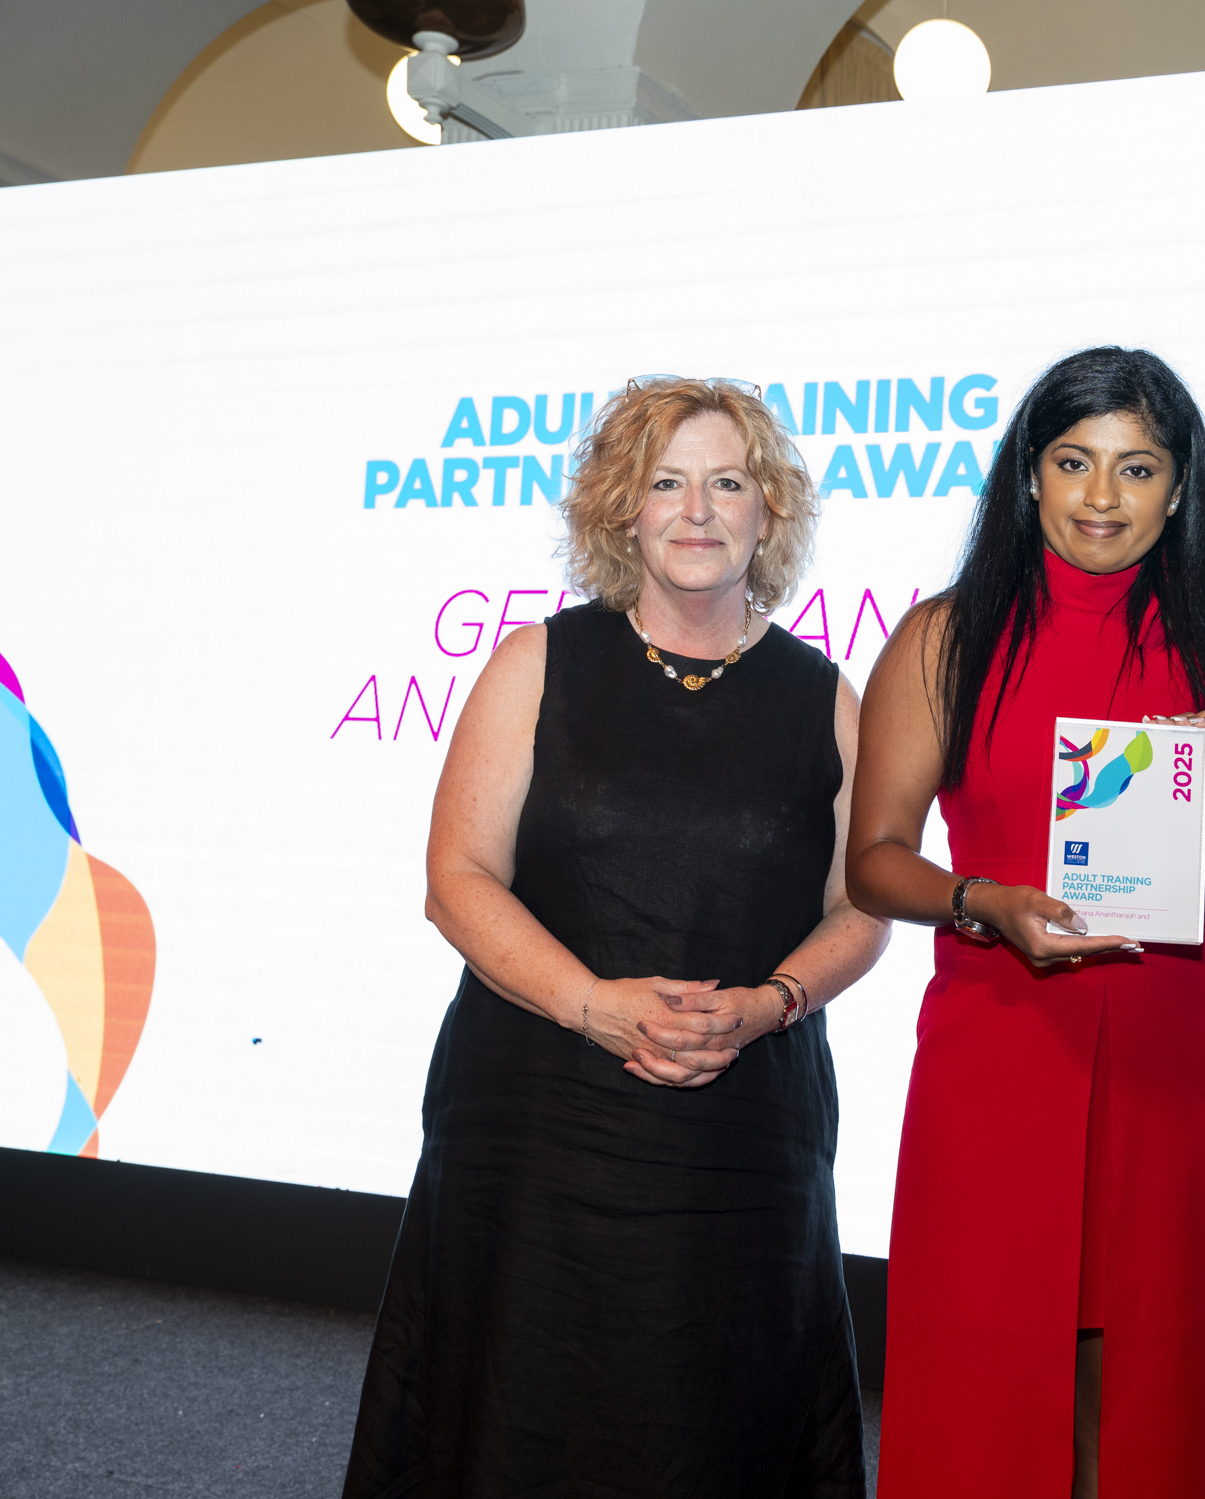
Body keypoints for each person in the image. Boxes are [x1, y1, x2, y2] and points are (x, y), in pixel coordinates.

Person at [344, 376, 890, 1498]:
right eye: (666, 482)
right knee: (513, 1414)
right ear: (622, 510)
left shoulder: (827, 695)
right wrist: (594, 1002)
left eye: (726, 482)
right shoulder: (536, 662)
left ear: (767, 513)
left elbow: (864, 905)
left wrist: (770, 1001)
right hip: (537, 1130)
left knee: (722, 1420)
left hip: (742, 1144)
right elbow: (457, 881)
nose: (697, 509)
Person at [848, 347, 1205, 1499]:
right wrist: (980, 902)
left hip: (1170, 1060)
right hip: (1004, 1047)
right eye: (1073, 462)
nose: (1102, 498)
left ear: (1180, 486)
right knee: (991, 1367)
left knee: (1152, 1379)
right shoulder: (945, 637)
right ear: (1029, 476)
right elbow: (874, 862)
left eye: (1137, 467)